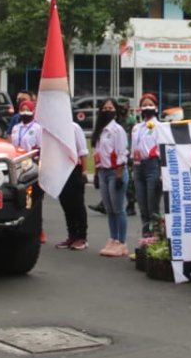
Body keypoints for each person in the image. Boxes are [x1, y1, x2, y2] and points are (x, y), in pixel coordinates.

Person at [92, 98, 129, 257]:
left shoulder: (117, 130)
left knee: (118, 209)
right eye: (105, 108)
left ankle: (122, 242)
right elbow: (97, 153)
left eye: (110, 108)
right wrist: (96, 174)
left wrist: (119, 175)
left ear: (115, 111)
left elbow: (122, 153)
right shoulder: (100, 130)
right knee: (109, 210)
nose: (107, 111)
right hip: (103, 172)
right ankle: (113, 239)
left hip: (115, 173)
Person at [54, 115, 90, 251]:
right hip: (60, 169)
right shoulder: (54, 129)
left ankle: (82, 237)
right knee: (66, 203)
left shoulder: (74, 128)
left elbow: (82, 151)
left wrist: (84, 171)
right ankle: (72, 235)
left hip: (74, 169)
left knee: (77, 204)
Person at [131, 92, 163, 241]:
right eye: (144, 105)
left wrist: (162, 171)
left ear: (156, 107)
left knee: (152, 205)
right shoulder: (136, 128)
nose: (147, 107)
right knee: (142, 206)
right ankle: (145, 237)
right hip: (138, 166)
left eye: (150, 104)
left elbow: (162, 149)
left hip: (153, 165)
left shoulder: (160, 126)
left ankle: (156, 236)